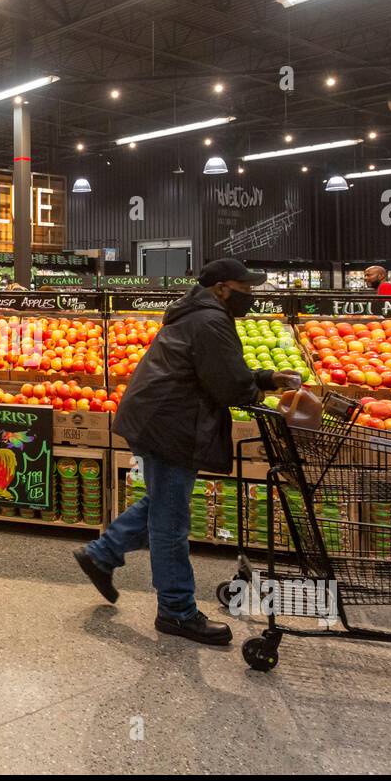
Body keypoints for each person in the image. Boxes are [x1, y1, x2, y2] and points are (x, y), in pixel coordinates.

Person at [72, 258, 303, 645]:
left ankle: (102, 553)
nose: (251, 295)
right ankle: (176, 612)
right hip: (169, 424)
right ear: (221, 289)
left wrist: (263, 378)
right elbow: (227, 385)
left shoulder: (200, 313)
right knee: (171, 520)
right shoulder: (210, 320)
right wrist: (258, 390)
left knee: (165, 500)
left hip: (161, 418)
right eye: (244, 288)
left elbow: (218, 371)